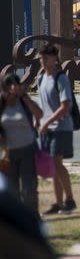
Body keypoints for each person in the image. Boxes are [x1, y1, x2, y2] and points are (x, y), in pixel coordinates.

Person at [38, 44, 77, 215]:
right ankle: (58, 202)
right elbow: (43, 106)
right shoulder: (41, 78)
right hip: (47, 128)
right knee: (53, 165)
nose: (43, 61)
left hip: (61, 127)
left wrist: (47, 123)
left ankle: (70, 200)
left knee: (57, 163)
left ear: (55, 58)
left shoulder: (60, 78)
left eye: (46, 58)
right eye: (41, 58)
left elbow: (66, 106)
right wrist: (39, 122)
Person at [0, 73, 42, 213]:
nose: (13, 88)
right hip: (7, 154)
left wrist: (25, 97)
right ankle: (18, 224)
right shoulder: (1, 104)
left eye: (15, 84)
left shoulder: (23, 102)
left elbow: (39, 114)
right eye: (9, 85)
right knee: (12, 190)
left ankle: (33, 218)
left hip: (27, 150)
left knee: (29, 188)